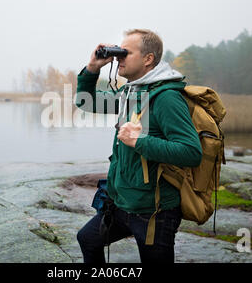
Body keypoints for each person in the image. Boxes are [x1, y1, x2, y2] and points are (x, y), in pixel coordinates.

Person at [75, 29, 202, 263]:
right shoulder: (131, 93)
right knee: (88, 239)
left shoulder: (166, 97)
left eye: (126, 53)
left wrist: (139, 142)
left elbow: (191, 152)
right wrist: (93, 67)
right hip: (122, 203)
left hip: (154, 211)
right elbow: (86, 101)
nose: (119, 58)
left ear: (148, 59)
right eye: (119, 52)